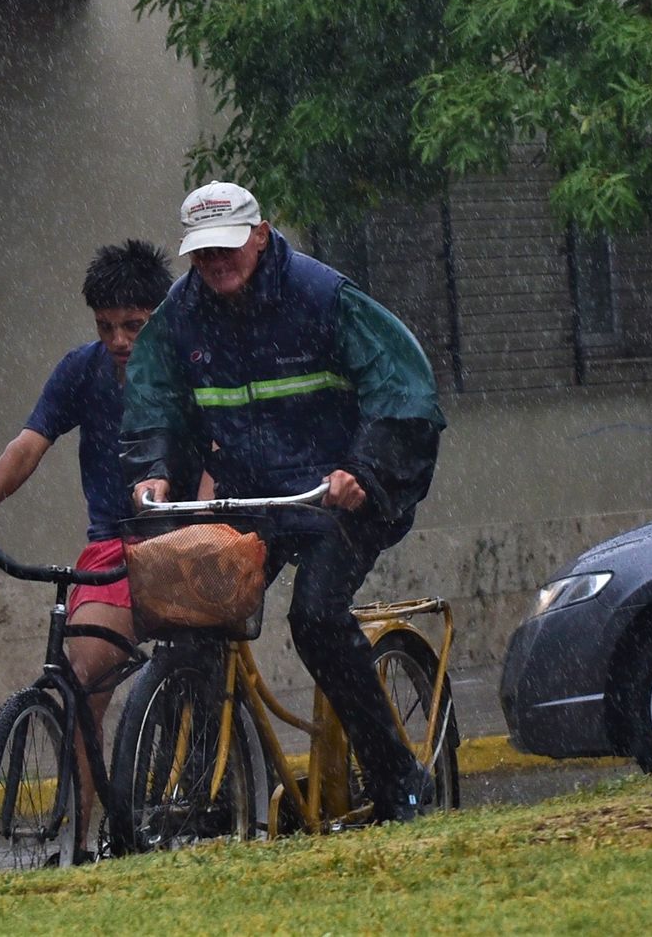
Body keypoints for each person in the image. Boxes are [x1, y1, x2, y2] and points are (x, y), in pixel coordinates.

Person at [122, 181, 446, 823]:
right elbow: (152, 401)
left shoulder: (323, 297)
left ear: (261, 234)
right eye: (203, 252)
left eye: (228, 246)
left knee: (317, 619)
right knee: (196, 614)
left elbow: (402, 388)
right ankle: (201, 794)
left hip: (336, 501)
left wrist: (363, 469)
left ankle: (397, 774)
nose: (216, 262)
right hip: (253, 500)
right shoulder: (179, 319)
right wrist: (154, 471)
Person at [0, 239, 175, 860]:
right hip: (111, 548)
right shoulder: (81, 370)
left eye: (133, 327)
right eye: (107, 327)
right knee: (80, 676)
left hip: (178, 541)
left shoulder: (184, 368)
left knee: (193, 664)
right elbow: (28, 446)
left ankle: (190, 776)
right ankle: (83, 846)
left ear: (159, 319)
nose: (118, 340)